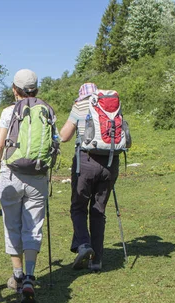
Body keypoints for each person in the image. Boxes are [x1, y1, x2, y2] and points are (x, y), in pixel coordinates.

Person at [0, 69, 57, 303]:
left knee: (12, 224)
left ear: (14, 89)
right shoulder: (48, 110)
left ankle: (17, 275)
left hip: (12, 173)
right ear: (36, 88)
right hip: (38, 175)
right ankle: (30, 276)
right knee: (33, 225)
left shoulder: (8, 112)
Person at [59, 82, 118, 272]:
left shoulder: (80, 106)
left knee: (78, 207)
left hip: (86, 161)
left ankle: (84, 245)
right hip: (110, 162)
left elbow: (64, 136)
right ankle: (97, 260)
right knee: (98, 210)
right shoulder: (112, 107)